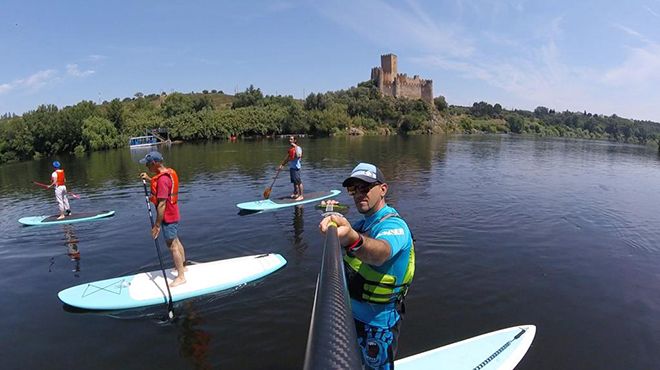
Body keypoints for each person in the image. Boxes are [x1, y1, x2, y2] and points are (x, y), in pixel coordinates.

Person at [319, 163, 415, 370]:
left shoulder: (394, 226)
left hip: (378, 326)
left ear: (383, 189)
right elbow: (350, 231)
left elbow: (380, 252)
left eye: (366, 187)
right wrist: (331, 212)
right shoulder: (364, 223)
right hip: (349, 317)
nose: (359, 194)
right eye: (354, 189)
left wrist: (353, 240)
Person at [139, 151, 187, 287]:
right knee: (176, 240)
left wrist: (157, 225)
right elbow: (160, 184)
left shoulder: (163, 180)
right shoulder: (166, 174)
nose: (147, 166)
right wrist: (149, 179)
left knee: (172, 246)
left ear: (154, 163)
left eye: (148, 164)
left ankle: (181, 276)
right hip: (174, 214)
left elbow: (161, 204)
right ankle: (183, 266)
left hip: (168, 217)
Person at [279, 136, 303, 200]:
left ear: (295, 140)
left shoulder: (298, 148)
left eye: (291, 139)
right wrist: (282, 165)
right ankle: (296, 193)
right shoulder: (290, 149)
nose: (290, 140)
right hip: (291, 167)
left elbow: (299, 156)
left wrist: (295, 147)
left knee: (298, 181)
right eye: (289, 139)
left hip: (296, 167)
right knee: (294, 182)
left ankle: (301, 196)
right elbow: (288, 158)